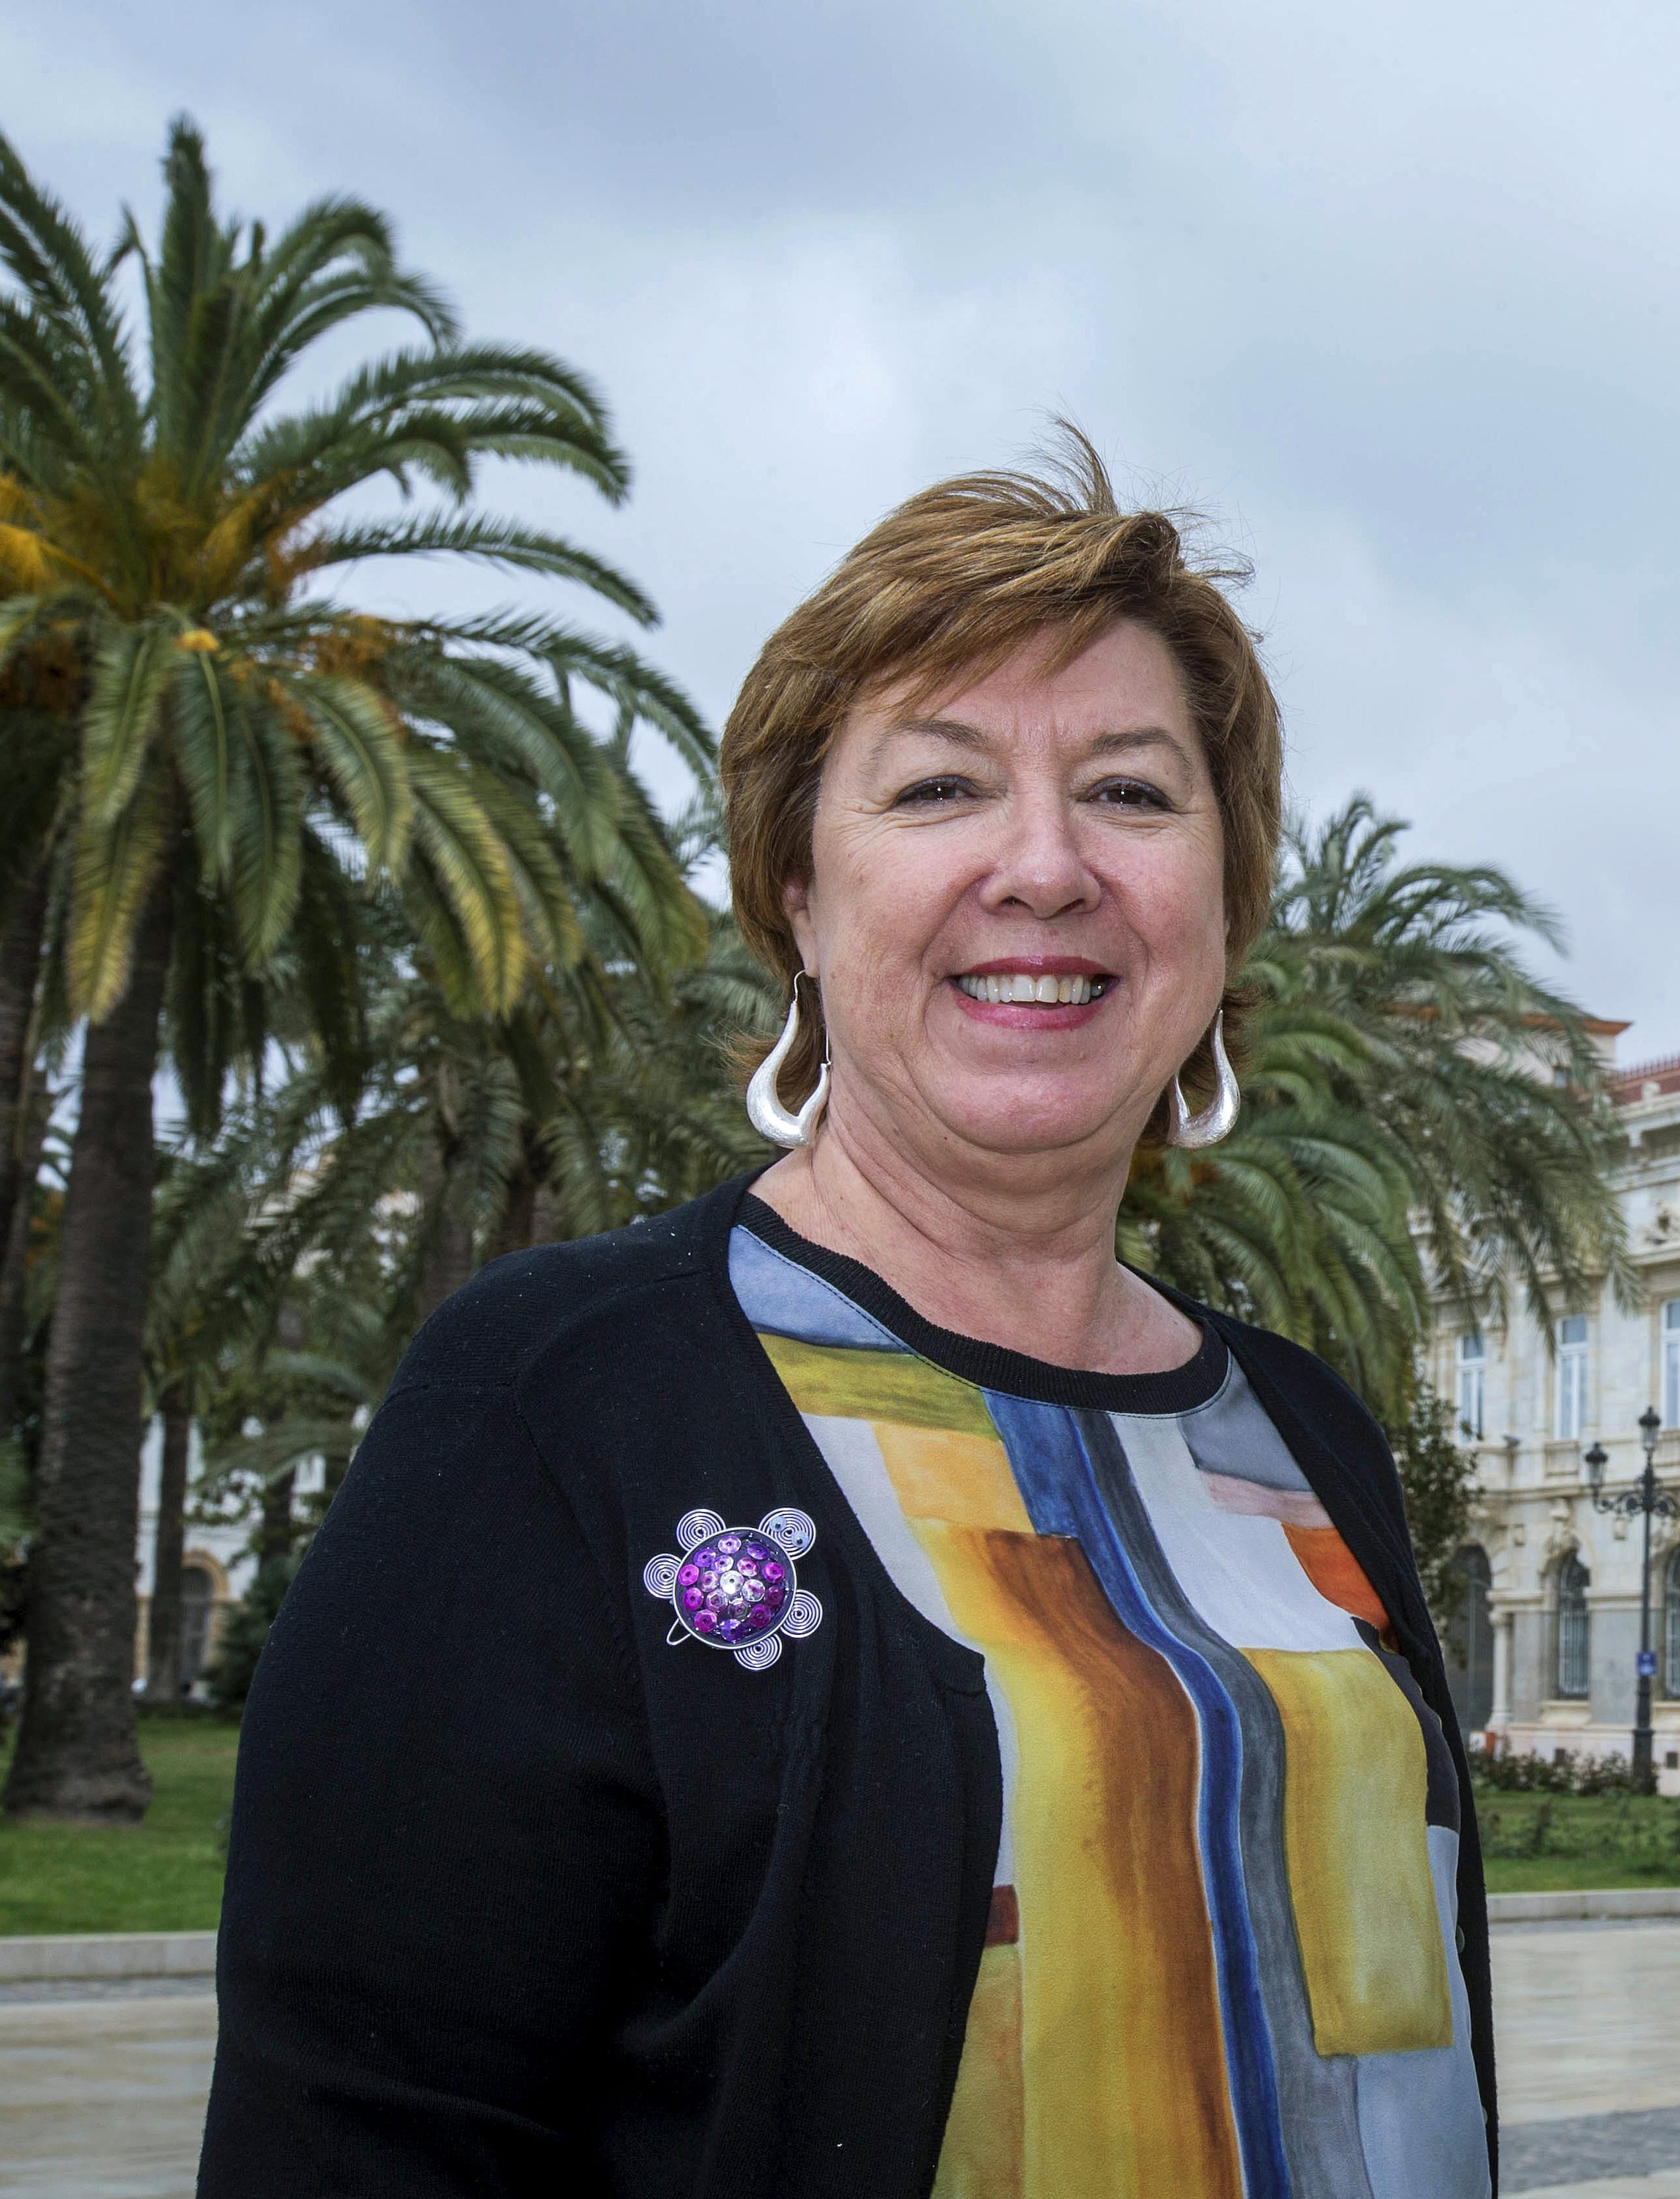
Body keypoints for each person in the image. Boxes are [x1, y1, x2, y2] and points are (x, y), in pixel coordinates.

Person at [201, 441, 1498, 2198]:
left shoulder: (1302, 1433)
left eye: (1129, 791)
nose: (1045, 867)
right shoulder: (555, 1402)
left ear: (1221, 896)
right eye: (941, 786)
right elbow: (363, 2135)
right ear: (799, 895)